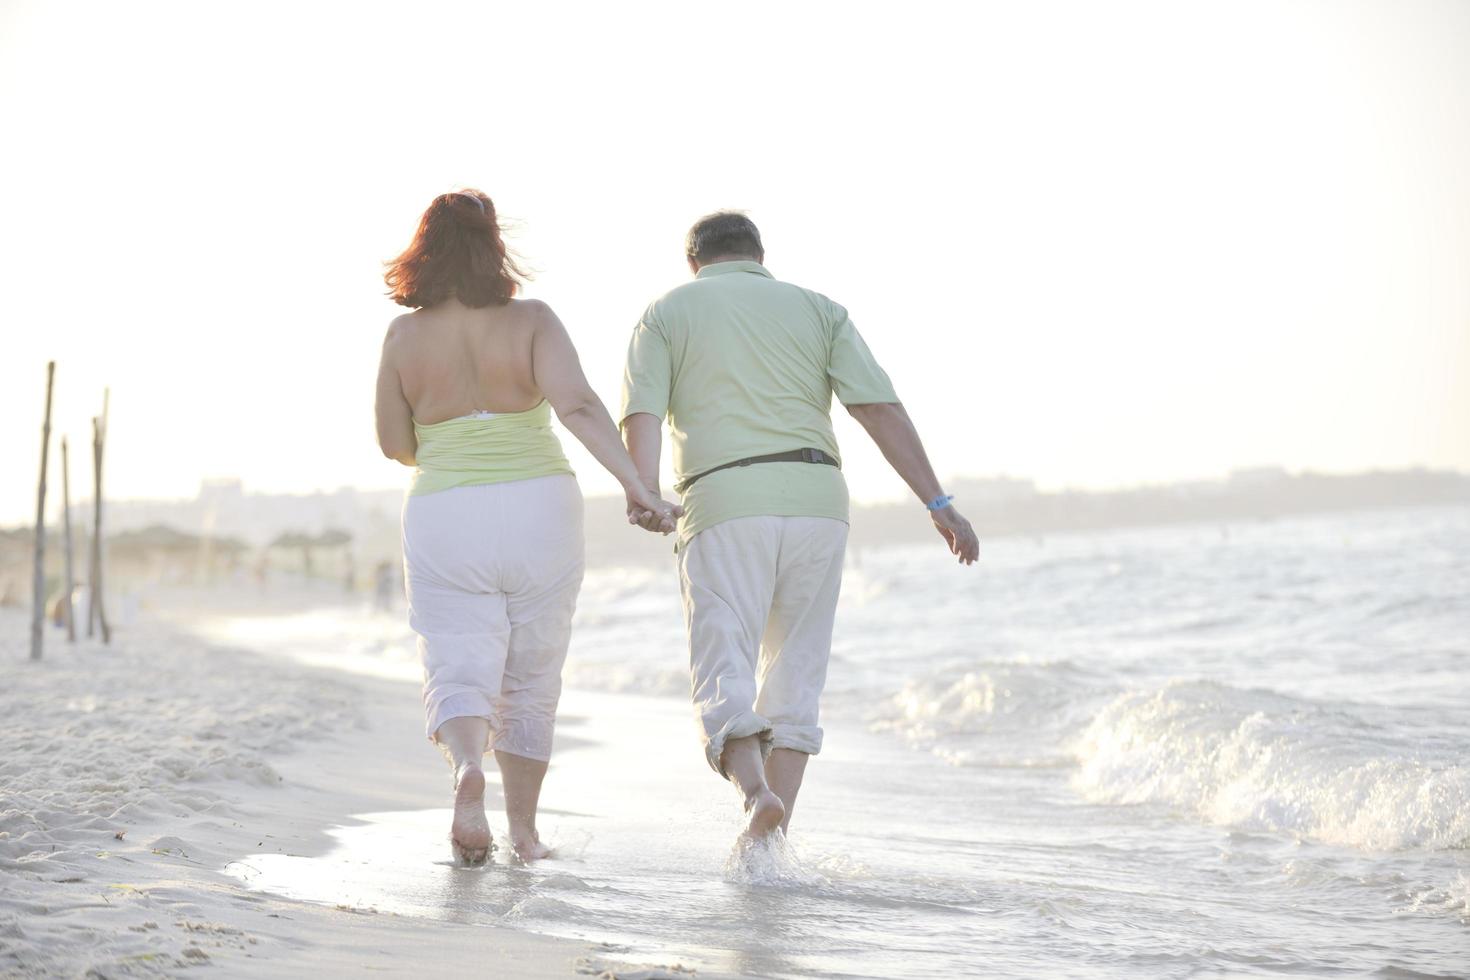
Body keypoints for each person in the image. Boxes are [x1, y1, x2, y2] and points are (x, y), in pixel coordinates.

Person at [620, 212, 978, 842]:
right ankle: (768, 853)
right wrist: (938, 502)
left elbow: (642, 410)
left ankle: (757, 795)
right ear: (760, 255)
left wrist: (644, 491)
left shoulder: (666, 312)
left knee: (723, 662)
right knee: (796, 672)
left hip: (726, 501)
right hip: (818, 503)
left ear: (693, 262)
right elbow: (878, 408)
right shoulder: (818, 309)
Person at [376, 189, 680, 865]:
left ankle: (465, 768)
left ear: (423, 250)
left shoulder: (403, 336)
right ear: (495, 246)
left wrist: (457, 446)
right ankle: (524, 833)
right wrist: (638, 487)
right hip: (541, 507)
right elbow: (576, 404)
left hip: (446, 511)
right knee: (532, 675)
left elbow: (394, 443)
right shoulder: (534, 320)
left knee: (457, 653)